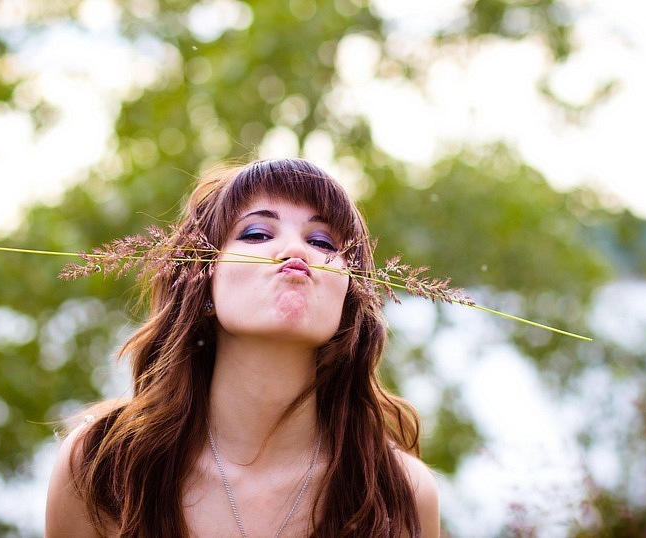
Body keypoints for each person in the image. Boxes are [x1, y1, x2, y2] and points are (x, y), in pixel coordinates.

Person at [45, 158, 440, 537]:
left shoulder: (399, 493)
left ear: (349, 300)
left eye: (321, 241)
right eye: (257, 234)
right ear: (202, 282)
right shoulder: (101, 466)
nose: (296, 251)